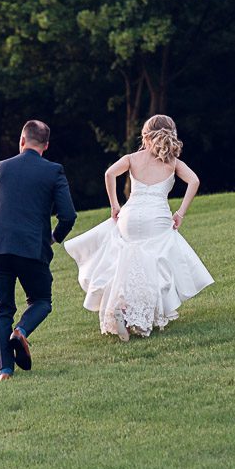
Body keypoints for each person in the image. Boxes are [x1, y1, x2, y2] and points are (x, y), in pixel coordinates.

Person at [64, 114, 213, 341]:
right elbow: (194, 181)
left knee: (126, 263)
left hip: (130, 216)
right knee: (155, 265)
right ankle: (136, 317)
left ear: (145, 136)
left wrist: (115, 204)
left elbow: (109, 173)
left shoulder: (132, 158)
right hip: (158, 217)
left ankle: (121, 308)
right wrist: (180, 212)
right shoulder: (172, 162)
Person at [0, 120, 76, 381]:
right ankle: (20, 331)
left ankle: (5, 372)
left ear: (21, 140)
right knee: (41, 301)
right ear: (46, 145)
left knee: (1, 309)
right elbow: (68, 215)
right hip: (32, 247)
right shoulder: (54, 171)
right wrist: (53, 238)